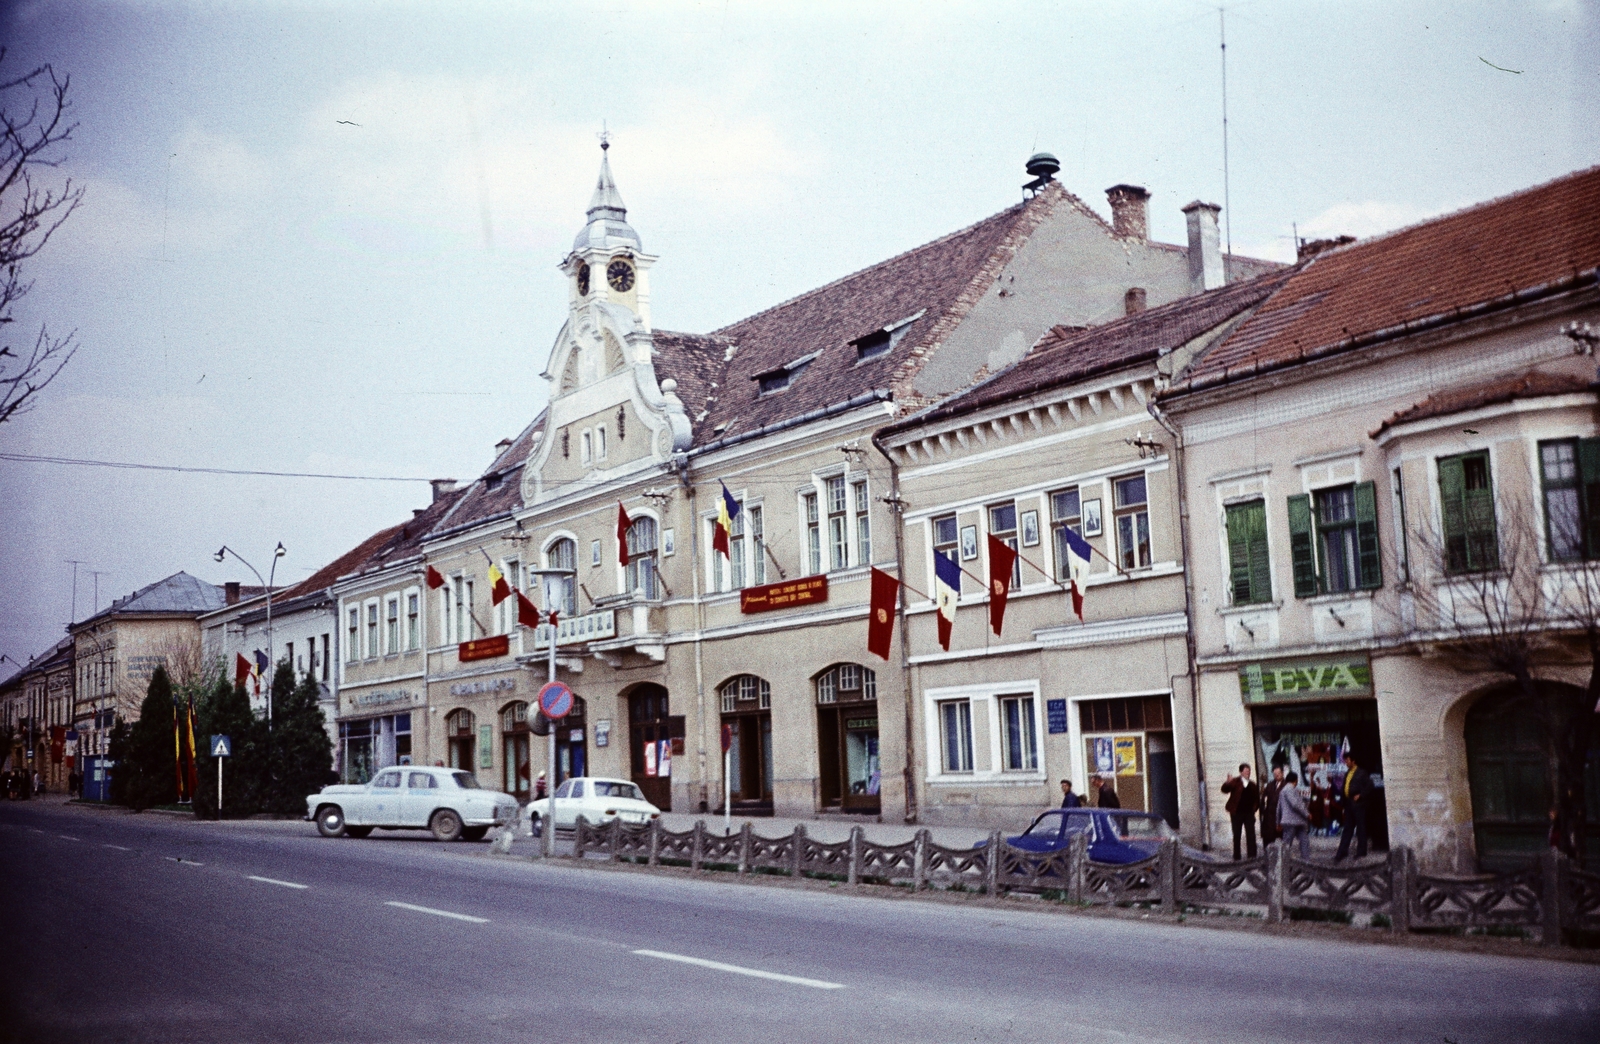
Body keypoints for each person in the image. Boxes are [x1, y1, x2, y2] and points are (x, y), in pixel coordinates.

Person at [1334, 752, 1375, 861]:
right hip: (1348, 804)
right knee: (1347, 828)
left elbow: (1370, 785)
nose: (1346, 762)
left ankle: (1361, 851)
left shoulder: (1361, 773)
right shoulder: (1348, 773)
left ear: (1353, 761)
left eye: (1347, 760)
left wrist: (1361, 795)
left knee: (1360, 828)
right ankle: (1342, 851)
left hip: (1358, 804)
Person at [1220, 763, 1261, 860]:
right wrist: (1227, 783)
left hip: (1249, 814)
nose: (1248, 773)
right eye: (1246, 771)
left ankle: (1252, 857)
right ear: (1241, 772)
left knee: (1251, 835)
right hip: (1236, 813)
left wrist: (1253, 809)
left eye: (1249, 771)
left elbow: (1256, 799)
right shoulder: (1235, 782)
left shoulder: (1252, 784)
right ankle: (1237, 857)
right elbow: (1224, 790)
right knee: (1237, 835)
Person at [1277, 771, 1311, 860]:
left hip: (1291, 821)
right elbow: (1295, 804)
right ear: (1295, 780)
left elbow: (1279, 809)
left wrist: (1278, 822)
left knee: (1290, 844)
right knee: (1302, 843)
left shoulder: (1283, 791)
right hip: (1294, 821)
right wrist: (1307, 814)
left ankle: (1284, 862)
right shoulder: (1290, 789)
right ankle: (1305, 862)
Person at [1261, 765, 1287, 847]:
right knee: (1268, 840)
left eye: (1278, 773)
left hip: (1281, 817)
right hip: (1269, 818)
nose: (1277, 775)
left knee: (1282, 842)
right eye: (1275, 774)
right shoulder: (1270, 785)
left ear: (1282, 773)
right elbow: (1264, 799)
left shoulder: (1286, 785)